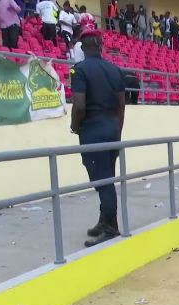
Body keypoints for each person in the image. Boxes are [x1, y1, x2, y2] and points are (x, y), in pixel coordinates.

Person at [70, 30, 126, 247]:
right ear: (101, 46)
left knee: (102, 181)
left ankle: (111, 226)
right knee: (108, 177)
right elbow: (121, 106)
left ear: (83, 49)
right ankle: (105, 220)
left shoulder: (79, 70)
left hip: (93, 129)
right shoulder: (115, 70)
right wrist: (117, 131)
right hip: (112, 128)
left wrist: (75, 127)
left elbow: (80, 106)